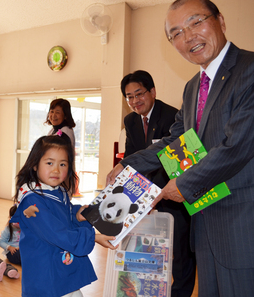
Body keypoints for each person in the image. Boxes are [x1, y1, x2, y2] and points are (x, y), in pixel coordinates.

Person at [107, 0, 254, 295]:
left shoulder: (248, 70)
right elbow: (177, 141)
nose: (188, 37)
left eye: (196, 22)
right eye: (176, 33)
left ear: (221, 21)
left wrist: (182, 186)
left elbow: (236, 147)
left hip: (239, 222)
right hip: (204, 220)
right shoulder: (192, 87)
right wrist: (129, 164)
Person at [10, 133, 116, 297]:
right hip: (47, 276)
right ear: (35, 165)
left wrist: (76, 216)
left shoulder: (56, 191)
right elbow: (56, 232)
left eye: (63, 164)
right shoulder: (31, 201)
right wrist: (93, 237)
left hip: (59, 270)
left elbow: (61, 215)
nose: (56, 170)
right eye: (50, 163)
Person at [121, 70, 196, 297]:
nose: (135, 101)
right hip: (148, 197)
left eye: (139, 94)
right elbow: (133, 156)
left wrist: (155, 194)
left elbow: (170, 162)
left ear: (152, 91)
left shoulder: (172, 117)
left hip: (173, 194)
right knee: (151, 248)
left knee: (181, 252)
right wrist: (139, 198)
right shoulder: (130, 120)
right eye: (129, 97)